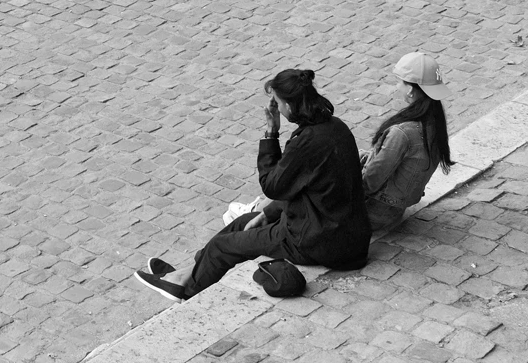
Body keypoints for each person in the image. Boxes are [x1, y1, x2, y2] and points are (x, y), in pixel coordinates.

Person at [135, 69, 371, 300]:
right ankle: (188, 272)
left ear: (289, 106)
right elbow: (306, 187)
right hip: (345, 235)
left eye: (277, 103)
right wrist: (267, 213)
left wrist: (271, 133)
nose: (276, 108)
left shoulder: (306, 143)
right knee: (242, 223)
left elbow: (272, 186)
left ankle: (186, 291)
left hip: (319, 242)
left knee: (222, 246)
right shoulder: (336, 127)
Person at [363, 52, 453, 230]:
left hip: (375, 212)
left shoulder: (402, 133)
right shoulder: (434, 120)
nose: (397, 86)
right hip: (394, 208)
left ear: (411, 89)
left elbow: (371, 181)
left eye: (399, 82)